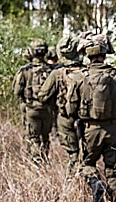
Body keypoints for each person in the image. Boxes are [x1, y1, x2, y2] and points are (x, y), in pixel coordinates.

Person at [67, 33, 116, 202]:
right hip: (112, 128)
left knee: (88, 164)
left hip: (90, 129)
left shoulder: (79, 78)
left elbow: (70, 109)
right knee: (113, 168)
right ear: (104, 54)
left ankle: (96, 183)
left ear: (88, 55)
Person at [37, 35, 87, 174]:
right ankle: (86, 178)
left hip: (65, 118)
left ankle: (72, 181)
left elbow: (42, 96)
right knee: (87, 154)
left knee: (72, 155)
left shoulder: (57, 74)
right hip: (87, 119)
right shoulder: (88, 72)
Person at [12, 39, 54, 164]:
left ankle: (37, 163)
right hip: (48, 110)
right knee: (45, 138)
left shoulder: (25, 71)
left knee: (33, 137)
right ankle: (45, 160)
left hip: (31, 109)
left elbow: (16, 91)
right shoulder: (52, 70)